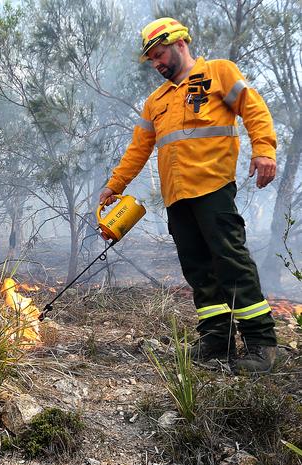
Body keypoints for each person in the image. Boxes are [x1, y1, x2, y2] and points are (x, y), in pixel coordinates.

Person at [99, 18, 278, 373]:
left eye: (159, 55)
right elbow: (138, 149)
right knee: (198, 269)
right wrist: (114, 185)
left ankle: (261, 343)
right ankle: (216, 340)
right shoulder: (156, 102)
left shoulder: (219, 74)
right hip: (176, 197)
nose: (156, 64)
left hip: (213, 187)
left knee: (231, 261)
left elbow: (253, 109)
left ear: (180, 43)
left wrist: (265, 151)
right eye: (151, 59)